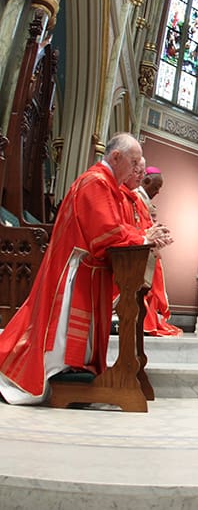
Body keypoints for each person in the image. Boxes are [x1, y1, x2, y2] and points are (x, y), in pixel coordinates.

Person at [0, 133, 172, 405]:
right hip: (76, 270)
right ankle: (52, 374)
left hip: (90, 269)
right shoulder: (96, 182)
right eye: (133, 161)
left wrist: (143, 235)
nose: (135, 168)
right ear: (116, 157)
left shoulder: (107, 184)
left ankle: (72, 372)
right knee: (59, 333)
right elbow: (105, 231)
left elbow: (118, 226)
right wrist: (143, 238)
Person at [126, 165, 182, 337]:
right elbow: (133, 226)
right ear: (147, 180)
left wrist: (158, 235)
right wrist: (149, 237)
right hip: (135, 252)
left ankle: (147, 321)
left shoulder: (142, 200)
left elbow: (145, 226)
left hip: (145, 250)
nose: (157, 192)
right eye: (156, 188)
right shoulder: (135, 197)